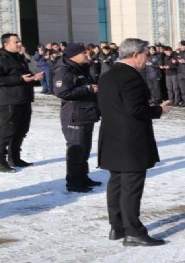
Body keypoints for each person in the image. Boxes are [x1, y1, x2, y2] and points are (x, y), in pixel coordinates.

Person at [97, 38, 170, 246]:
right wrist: (159, 110)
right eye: (146, 54)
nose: (148, 59)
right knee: (130, 187)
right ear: (136, 54)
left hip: (112, 137)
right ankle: (133, 232)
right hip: (130, 141)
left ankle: (117, 226)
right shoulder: (130, 77)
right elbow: (135, 109)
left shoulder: (108, 75)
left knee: (117, 184)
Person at [0, 34, 45, 172]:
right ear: (6, 44)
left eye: (20, 41)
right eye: (16, 42)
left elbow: (23, 75)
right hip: (9, 101)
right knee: (7, 130)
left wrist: (33, 77)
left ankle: (14, 157)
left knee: (21, 130)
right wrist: (19, 79)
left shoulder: (19, 57)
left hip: (24, 99)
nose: (20, 44)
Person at [53, 43, 101, 192]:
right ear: (74, 55)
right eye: (84, 54)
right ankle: (73, 182)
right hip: (74, 116)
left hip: (85, 113)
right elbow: (61, 92)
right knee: (76, 149)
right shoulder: (64, 70)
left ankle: (82, 177)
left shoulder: (82, 67)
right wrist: (87, 89)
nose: (88, 56)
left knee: (85, 148)